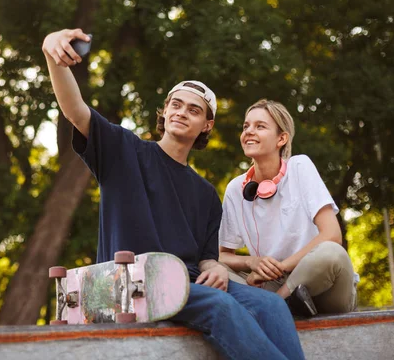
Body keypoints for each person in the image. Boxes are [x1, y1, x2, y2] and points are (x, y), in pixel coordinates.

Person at [42, 28, 305, 360]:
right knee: (221, 306)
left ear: (206, 126)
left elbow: (206, 255)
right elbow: (74, 110)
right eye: (176, 105)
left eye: (194, 110)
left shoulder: (207, 194)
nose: (182, 112)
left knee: (270, 304)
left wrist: (220, 268)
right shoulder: (124, 151)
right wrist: (53, 54)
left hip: (189, 285)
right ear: (164, 112)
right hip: (131, 284)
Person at [219, 99, 357, 317]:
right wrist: (251, 262)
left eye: (260, 126)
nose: (249, 132)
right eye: (246, 126)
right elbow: (222, 256)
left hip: (321, 284)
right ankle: (284, 301)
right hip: (270, 283)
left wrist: (281, 267)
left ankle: (274, 304)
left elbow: (332, 234)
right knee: (211, 270)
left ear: (281, 139)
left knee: (333, 254)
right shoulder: (236, 189)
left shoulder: (299, 167)